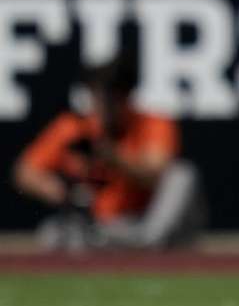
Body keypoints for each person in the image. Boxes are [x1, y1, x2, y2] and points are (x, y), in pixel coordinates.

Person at [12, 53, 205, 250]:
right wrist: (65, 193)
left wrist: (113, 157)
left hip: (144, 224)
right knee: (51, 233)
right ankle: (117, 250)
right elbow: (24, 172)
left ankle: (144, 247)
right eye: (97, 96)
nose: (104, 106)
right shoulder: (75, 127)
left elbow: (156, 174)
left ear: (126, 96)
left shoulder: (151, 123)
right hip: (100, 227)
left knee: (182, 174)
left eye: (112, 97)